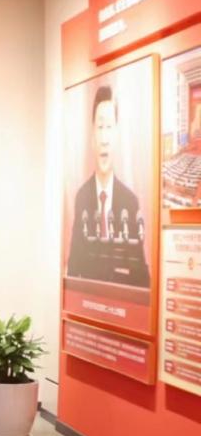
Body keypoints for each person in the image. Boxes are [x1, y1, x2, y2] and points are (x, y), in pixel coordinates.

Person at [67, 85, 151, 287]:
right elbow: (73, 270)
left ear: (117, 136)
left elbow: (141, 279)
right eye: (100, 127)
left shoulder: (130, 201)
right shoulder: (81, 198)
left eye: (109, 127)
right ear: (92, 137)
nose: (104, 139)